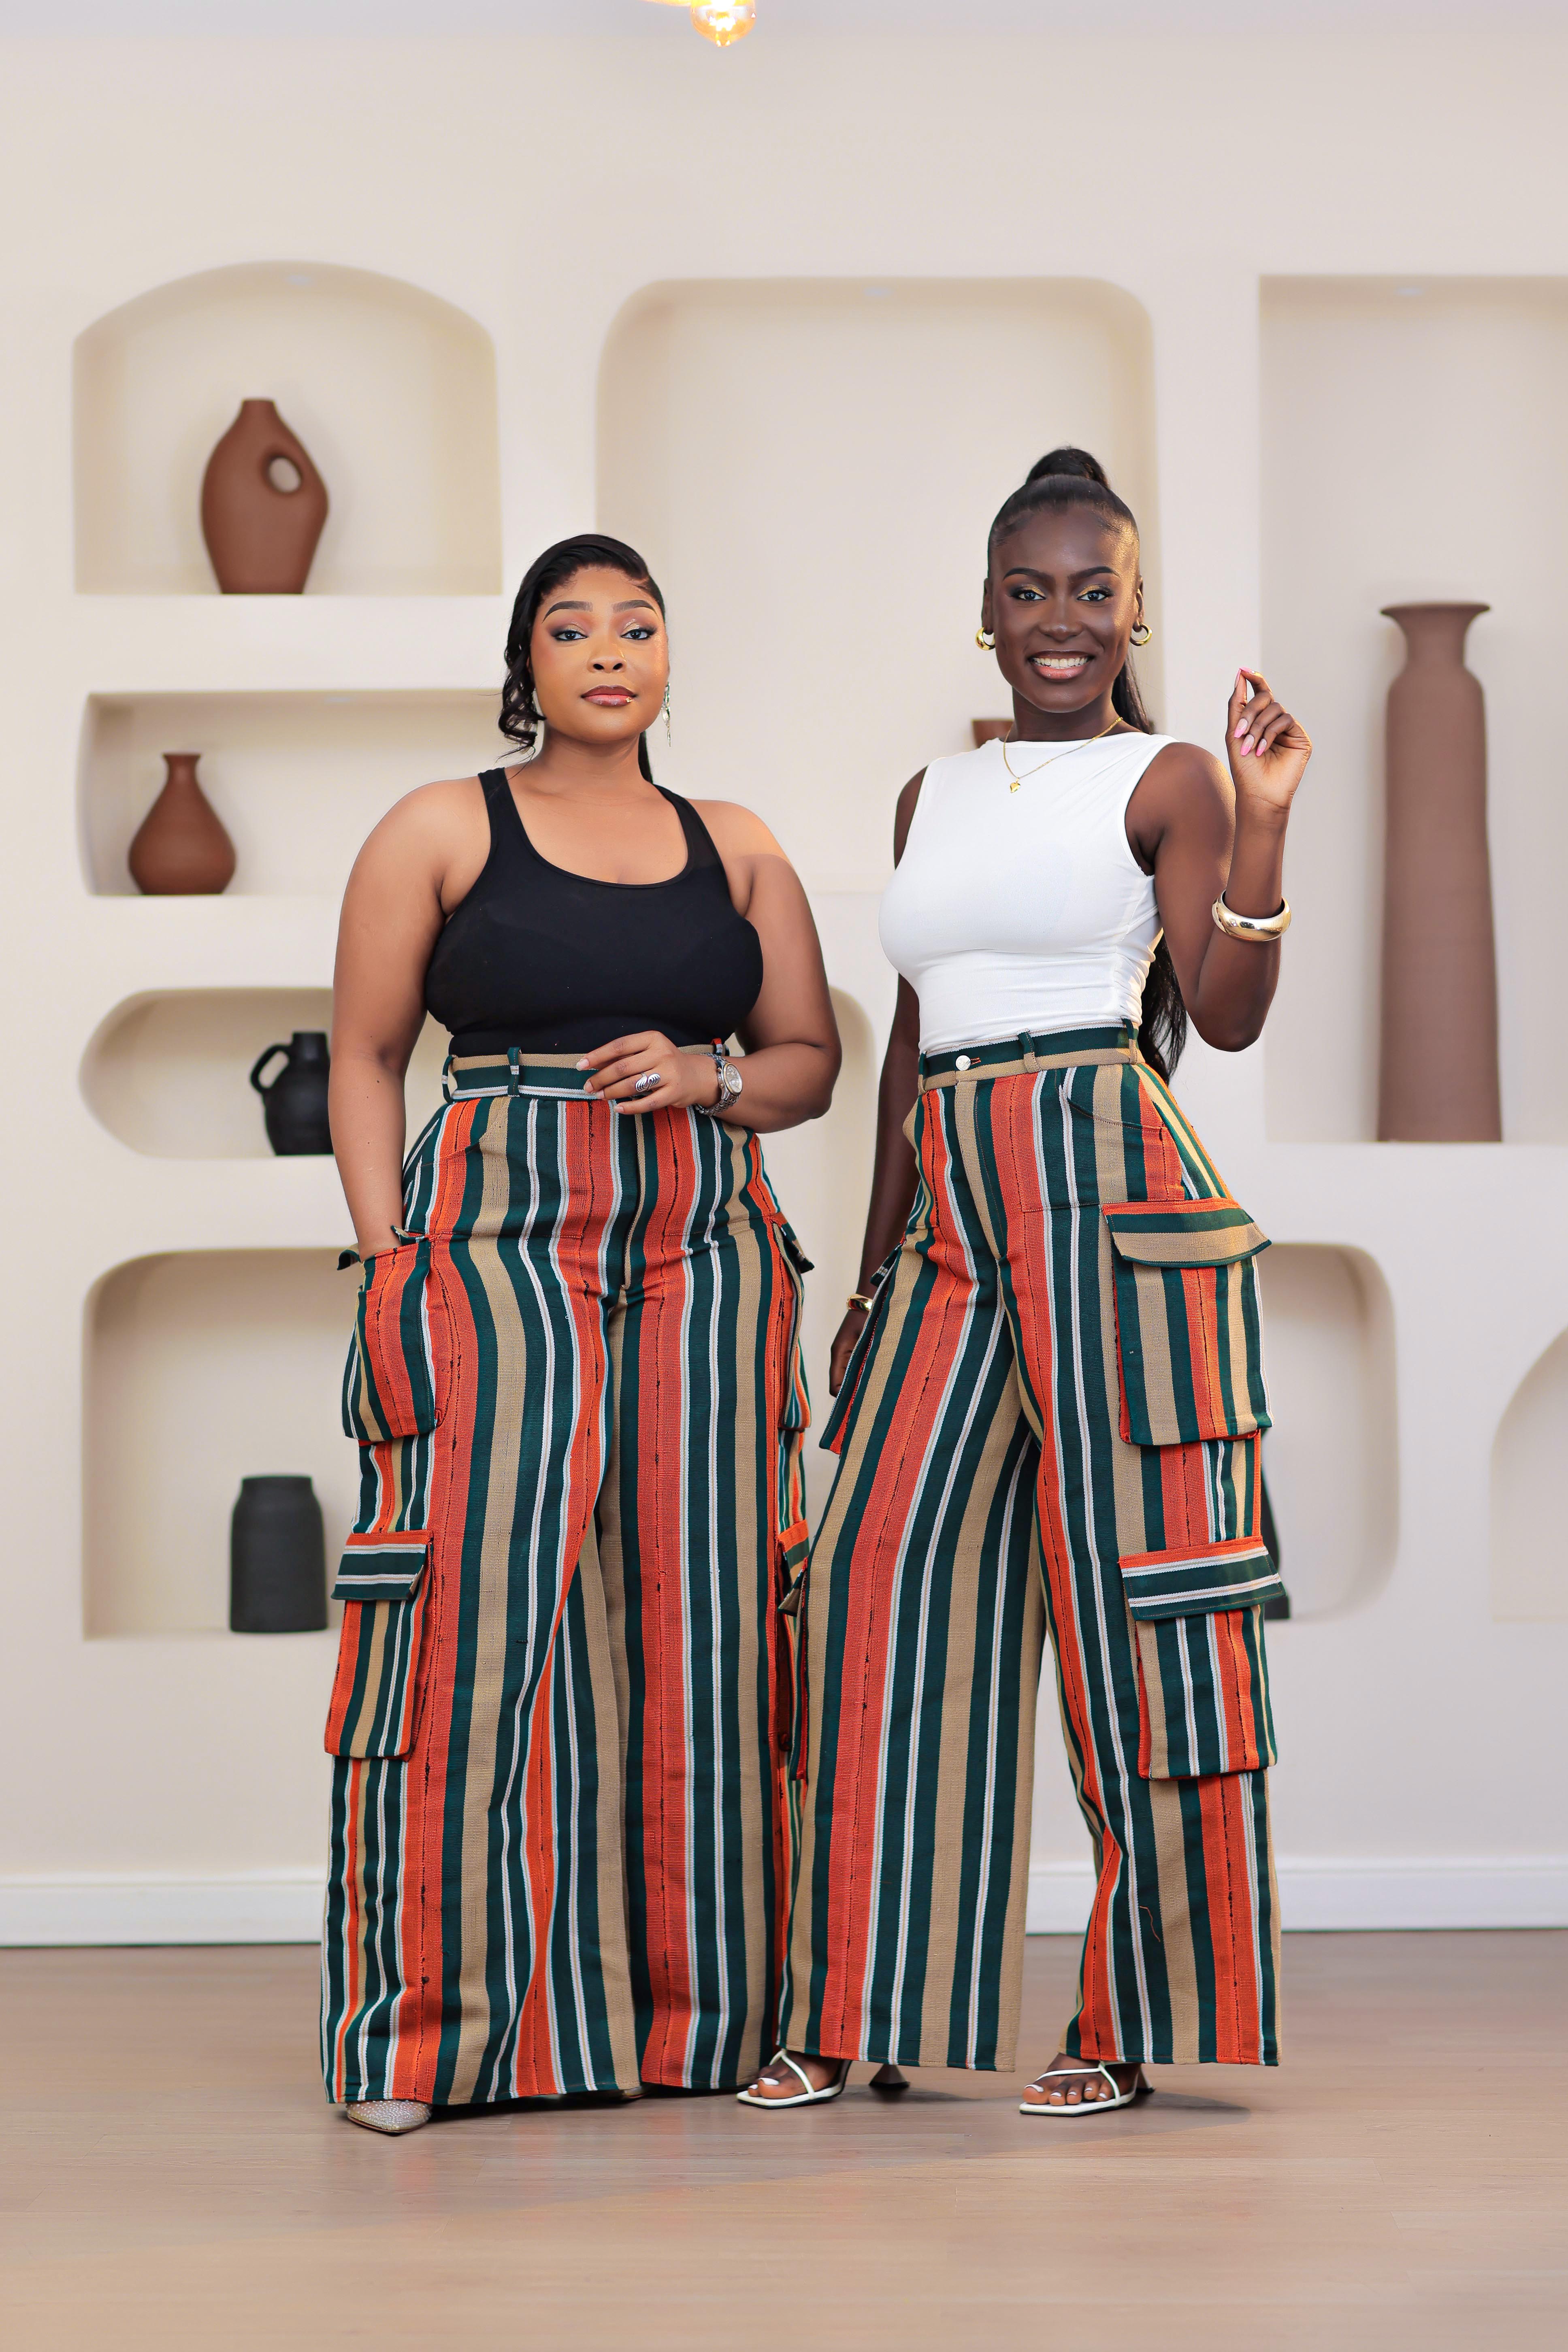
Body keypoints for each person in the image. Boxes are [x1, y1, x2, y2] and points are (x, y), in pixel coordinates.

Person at [740, 450, 1310, 2116]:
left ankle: (1132, 2022)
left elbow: (1222, 1016)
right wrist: (869, 1284)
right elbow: (908, 1050)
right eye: (1028, 589)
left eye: (1092, 589)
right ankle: (858, 2009)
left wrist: (1266, 825)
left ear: (1134, 611)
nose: (1062, 620)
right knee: (876, 1585)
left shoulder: (1171, 776)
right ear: (985, 613)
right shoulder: (931, 793)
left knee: (1137, 1606)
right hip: (952, 1208)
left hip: (1107, 1188)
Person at [321, 533, 840, 2133]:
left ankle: (712, 2025)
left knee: (712, 1615)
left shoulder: (736, 843)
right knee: (478, 1618)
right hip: (496, 1229)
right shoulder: (440, 825)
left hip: (705, 1235)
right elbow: (364, 1055)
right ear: (525, 664)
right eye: (571, 628)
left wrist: (708, 1076)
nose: (609, 652)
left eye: (637, 625)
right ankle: (430, 2040)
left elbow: (808, 1057)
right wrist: (385, 1258)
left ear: (667, 658)